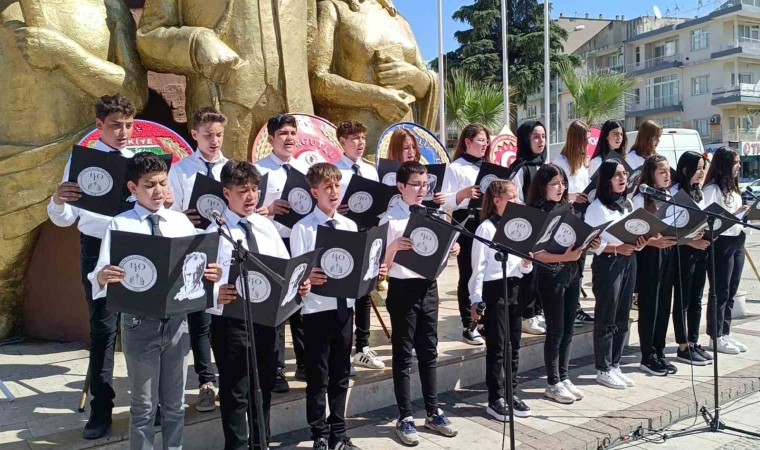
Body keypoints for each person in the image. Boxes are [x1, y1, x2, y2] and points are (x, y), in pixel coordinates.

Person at [89, 152, 222, 449]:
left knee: (174, 405)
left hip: (177, 323)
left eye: (162, 183)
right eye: (149, 185)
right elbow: (100, 272)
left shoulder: (180, 222)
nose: (158, 191)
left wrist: (211, 274)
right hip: (139, 324)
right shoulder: (121, 224)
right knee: (144, 406)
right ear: (133, 188)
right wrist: (103, 276)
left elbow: (196, 265)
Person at [47, 94, 137, 439]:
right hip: (98, 248)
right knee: (103, 330)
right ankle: (101, 411)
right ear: (100, 125)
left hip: (136, 248)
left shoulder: (138, 161)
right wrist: (59, 200)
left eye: (128, 125)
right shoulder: (81, 161)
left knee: (142, 328)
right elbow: (64, 218)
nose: (123, 132)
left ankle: (149, 403)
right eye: (115, 126)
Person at [207, 160, 310, 450]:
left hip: (267, 320)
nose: (251, 196)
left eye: (254, 189)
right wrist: (215, 293)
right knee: (235, 390)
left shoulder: (266, 226)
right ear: (227, 193)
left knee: (262, 387)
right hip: (232, 322)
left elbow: (284, 269)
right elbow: (201, 280)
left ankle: (261, 442)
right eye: (243, 191)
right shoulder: (215, 232)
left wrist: (298, 285)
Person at [291, 163, 385, 450]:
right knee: (318, 376)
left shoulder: (348, 225)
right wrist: (308, 276)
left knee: (341, 374)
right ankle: (319, 433)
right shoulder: (303, 228)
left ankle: (339, 433)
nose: (333, 192)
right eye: (327, 187)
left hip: (344, 309)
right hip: (316, 310)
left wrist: (374, 271)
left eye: (336, 186)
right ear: (314, 192)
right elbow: (297, 273)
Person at [382, 162, 460, 446]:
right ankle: (405, 415)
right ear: (401, 186)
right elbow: (380, 267)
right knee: (403, 354)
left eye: (425, 185)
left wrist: (452, 247)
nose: (421, 190)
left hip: (428, 287)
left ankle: (433, 410)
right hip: (402, 289)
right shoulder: (389, 219)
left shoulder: (433, 215)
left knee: (429, 351)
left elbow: (437, 253)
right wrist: (393, 248)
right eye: (416, 184)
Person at [168, 106, 230, 412]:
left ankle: (230, 376)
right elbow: (170, 211)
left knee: (227, 316)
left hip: (226, 247)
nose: (214, 141)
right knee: (200, 317)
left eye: (219, 134)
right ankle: (206, 381)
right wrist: (183, 215)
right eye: (208, 135)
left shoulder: (231, 169)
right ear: (195, 134)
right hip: (195, 247)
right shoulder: (181, 171)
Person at [468, 179, 533, 421]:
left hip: (514, 287)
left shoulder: (517, 226)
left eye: (517, 196)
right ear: (497, 201)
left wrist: (526, 263)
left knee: (514, 344)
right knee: (498, 347)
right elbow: (478, 267)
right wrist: (476, 299)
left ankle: (511, 392)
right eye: (512, 197)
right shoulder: (486, 228)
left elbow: (523, 267)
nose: (517, 201)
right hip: (494, 290)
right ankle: (495, 398)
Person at [254, 114, 310, 391]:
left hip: (299, 244)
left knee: (300, 304)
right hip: (272, 245)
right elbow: (247, 212)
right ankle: (276, 370)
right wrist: (269, 210)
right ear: (271, 138)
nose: (289, 138)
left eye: (292, 133)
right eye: (283, 134)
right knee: (276, 309)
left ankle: (304, 363)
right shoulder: (258, 171)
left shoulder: (305, 169)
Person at [526, 165, 591, 404]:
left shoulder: (568, 208)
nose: (560, 187)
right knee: (555, 330)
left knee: (568, 328)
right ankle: (553, 382)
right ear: (542, 186)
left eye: (563, 183)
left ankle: (564, 376)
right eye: (554, 183)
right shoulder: (536, 213)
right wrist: (566, 256)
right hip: (550, 275)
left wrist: (587, 243)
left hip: (572, 273)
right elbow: (537, 254)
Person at [585, 160, 649, 390]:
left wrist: (639, 243)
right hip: (608, 264)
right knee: (607, 315)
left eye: (624, 174)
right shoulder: (596, 208)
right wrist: (616, 248)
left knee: (623, 314)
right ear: (606, 179)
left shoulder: (627, 204)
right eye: (617, 175)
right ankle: (603, 368)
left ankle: (615, 363)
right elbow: (592, 243)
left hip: (629, 260)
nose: (623, 179)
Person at [333, 120, 384, 371]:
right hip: (343, 236)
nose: (360, 142)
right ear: (342, 142)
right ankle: (342, 349)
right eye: (354, 138)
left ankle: (362, 346)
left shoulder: (370, 170)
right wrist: (337, 208)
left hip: (367, 234)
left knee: (365, 292)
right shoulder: (335, 171)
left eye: (362, 137)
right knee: (344, 295)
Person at [441, 124, 492, 345]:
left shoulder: (489, 167)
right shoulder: (455, 168)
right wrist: (463, 194)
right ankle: (468, 324)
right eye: (480, 140)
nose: (484, 144)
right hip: (466, 222)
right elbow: (445, 200)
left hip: (487, 221)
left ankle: (484, 321)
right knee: (469, 272)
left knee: (487, 271)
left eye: (486, 141)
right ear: (467, 142)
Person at [631, 155, 679, 376]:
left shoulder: (668, 195)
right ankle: (647, 355)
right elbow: (634, 233)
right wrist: (654, 241)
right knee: (650, 305)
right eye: (662, 172)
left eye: (668, 171)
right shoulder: (640, 198)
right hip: (649, 255)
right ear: (651, 174)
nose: (667, 175)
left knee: (664, 304)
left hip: (667, 251)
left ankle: (659, 351)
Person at [704, 147, 750, 354]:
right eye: (735, 163)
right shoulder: (712, 190)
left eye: (739, 162)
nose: (738, 166)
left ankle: (725, 332)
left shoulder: (732, 188)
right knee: (720, 290)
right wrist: (733, 215)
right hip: (721, 241)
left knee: (731, 290)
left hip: (737, 239)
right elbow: (709, 219)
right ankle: (715, 336)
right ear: (724, 165)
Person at [670, 151, 713, 365]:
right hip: (683, 252)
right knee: (683, 300)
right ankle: (683, 345)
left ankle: (694, 341)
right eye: (698, 168)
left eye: (704, 168)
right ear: (686, 170)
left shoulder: (699, 192)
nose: (702, 172)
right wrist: (691, 242)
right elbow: (670, 228)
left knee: (696, 298)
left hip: (701, 250)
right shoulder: (674, 193)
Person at [552, 121, 594, 327]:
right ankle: (566, 307)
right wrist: (573, 196)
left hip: (582, 216)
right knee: (567, 263)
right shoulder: (560, 162)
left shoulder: (583, 162)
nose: (587, 143)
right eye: (585, 139)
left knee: (579, 263)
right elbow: (554, 191)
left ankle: (575, 306)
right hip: (567, 217)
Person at [511, 121, 548, 335]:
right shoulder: (521, 168)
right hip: (528, 227)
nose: (541, 141)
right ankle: (527, 315)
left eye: (543, 136)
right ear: (525, 139)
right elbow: (515, 199)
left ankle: (538, 311)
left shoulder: (546, 166)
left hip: (546, 226)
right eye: (535, 136)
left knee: (542, 273)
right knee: (529, 273)